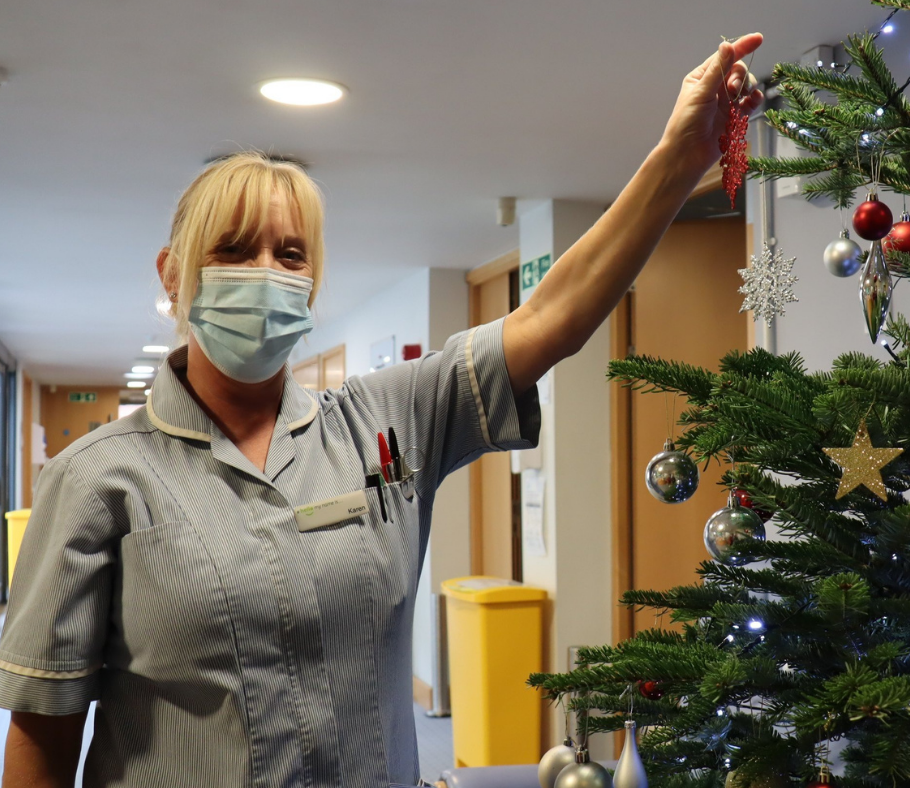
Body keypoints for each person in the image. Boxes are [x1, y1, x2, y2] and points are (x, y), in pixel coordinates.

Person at [0, 35, 763, 788]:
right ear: (175, 275)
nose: (266, 273)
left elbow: (552, 318)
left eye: (290, 255)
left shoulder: (382, 421)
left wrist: (677, 160)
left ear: (313, 281)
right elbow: (42, 730)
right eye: (234, 249)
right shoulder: (98, 480)